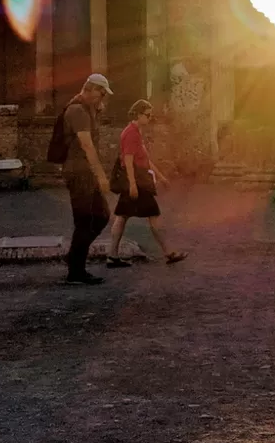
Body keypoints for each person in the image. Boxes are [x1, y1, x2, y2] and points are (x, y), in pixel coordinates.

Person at [106, 99, 188, 268]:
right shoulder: (131, 133)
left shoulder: (135, 132)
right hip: (138, 181)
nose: (150, 118)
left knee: (122, 217)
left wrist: (161, 176)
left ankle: (112, 256)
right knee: (153, 215)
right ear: (138, 114)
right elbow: (128, 160)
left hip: (138, 179)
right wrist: (133, 184)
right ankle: (168, 252)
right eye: (147, 115)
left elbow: (145, 159)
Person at [59, 73, 115, 285]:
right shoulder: (77, 111)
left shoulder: (85, 110)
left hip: (86, 173)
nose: (102, 98)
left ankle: (75, 257)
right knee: (84, 221)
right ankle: (76, 271)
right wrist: (102, 176)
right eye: (100, 93)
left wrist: (96, 110)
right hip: (80, 173)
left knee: (101, 216)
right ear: (89, 89)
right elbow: (87, 145)